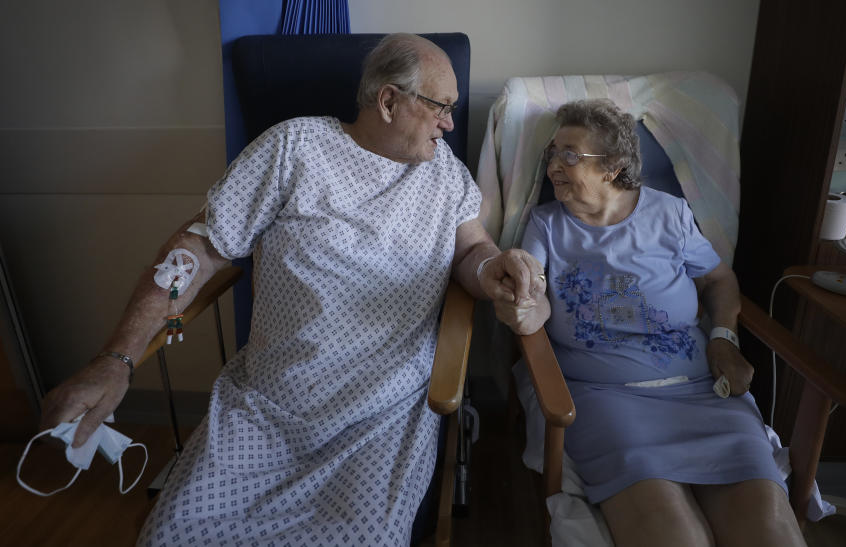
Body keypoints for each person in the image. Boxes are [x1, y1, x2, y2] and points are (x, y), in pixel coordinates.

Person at [38, 33, 542, 546]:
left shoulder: (444, 175)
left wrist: (495, 268)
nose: (450, 123)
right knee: (170, 536)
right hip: (267, 407)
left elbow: (470, 252)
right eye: (440, 107)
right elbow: (197, 250)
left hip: (379, 417)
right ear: (389, 101)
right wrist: (116, 358)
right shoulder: (294, 148)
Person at [495, 99, 806, 547]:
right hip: (607, 399)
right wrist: (524, 309)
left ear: (614, 166)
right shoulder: (547, 226)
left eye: (569, 155)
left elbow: (718, 279)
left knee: (770, 531)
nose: (553, 167)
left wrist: (722, 338)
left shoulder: (671, 215)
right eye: (551, 153)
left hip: (702, 393)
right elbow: (537, 297)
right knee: (675, 536)